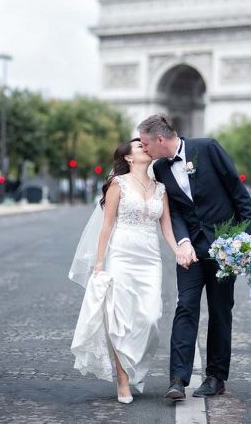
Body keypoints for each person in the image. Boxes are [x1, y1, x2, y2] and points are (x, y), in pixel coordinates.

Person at [138, 114, 251, 400]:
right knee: (185, 308)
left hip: (224, 248)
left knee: (219, 312)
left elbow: (236, 190)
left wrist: (250, 235)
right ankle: (177, 378)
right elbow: (176, 210)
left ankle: (216, 377)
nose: (144, 149)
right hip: (189, 251)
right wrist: (182, 241)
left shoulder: (208, 148)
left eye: (145, 144)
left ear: (160, 139)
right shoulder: (160, 169)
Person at [69, 138, 181, 404]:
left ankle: (135, 367)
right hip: (121, 256)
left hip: (150, 259)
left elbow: (166, 228)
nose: (146, 148)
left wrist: (180, 252)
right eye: (139, 146)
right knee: (120, 320)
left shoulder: (161, 189)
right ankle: (122, 380)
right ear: (129, 158)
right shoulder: (117, 185)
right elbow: (106, 226)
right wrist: (99, 262)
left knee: (151, 317)